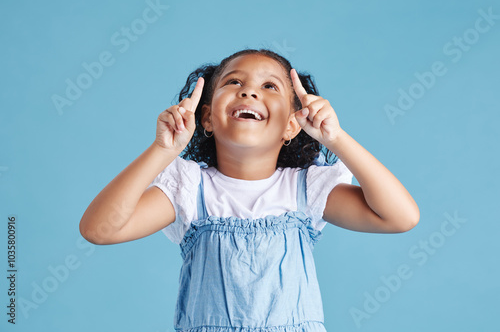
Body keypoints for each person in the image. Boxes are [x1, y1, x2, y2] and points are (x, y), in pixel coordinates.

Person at [79, 48, 420, 332]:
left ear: (292, 124)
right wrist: (162, 151)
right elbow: (99, 230)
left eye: (270, 86)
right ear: (208, 118)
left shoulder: (306, 189)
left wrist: (336, 139)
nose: (249, 91)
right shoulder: (189, 188)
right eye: (234, 82)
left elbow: (400, 217)